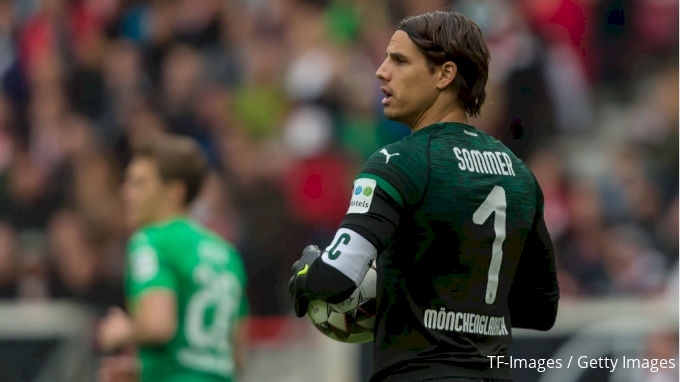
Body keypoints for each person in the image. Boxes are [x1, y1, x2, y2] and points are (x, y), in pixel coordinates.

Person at [289, 10, 559, 382]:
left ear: (445, 74)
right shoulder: (520, 173)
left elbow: (334, 278)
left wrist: (305, 274)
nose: (381, 71)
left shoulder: (399, 162)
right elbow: (541, 309)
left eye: (399, 60)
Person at [98, 134, 249, 382]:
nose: (127, 193)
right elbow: (236, 357)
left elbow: (158, 325)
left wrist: (123, 330)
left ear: (174, 192)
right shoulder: (227, 254)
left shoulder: (151, 240)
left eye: (140, 184)